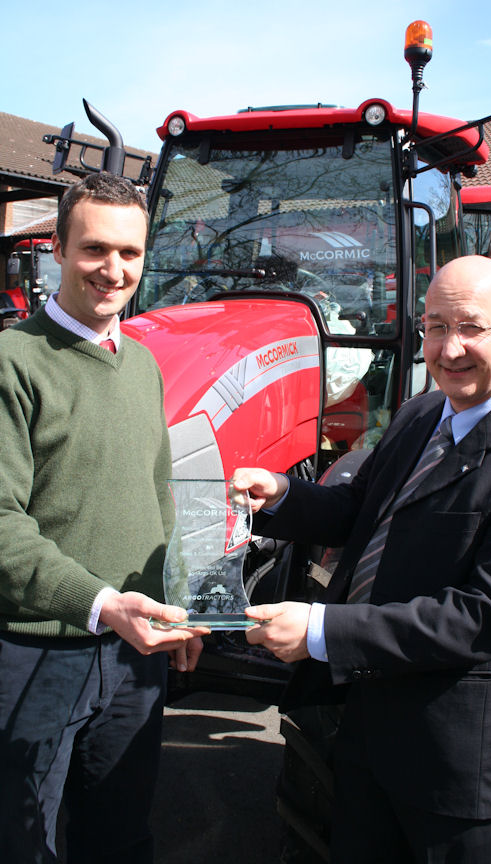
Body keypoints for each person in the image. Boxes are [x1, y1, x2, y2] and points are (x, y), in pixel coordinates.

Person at [233, 255, 491, 864]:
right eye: (436, 326)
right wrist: (282, 496)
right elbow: (361, 509)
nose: (449, 349)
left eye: (472, 327)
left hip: (460, 762)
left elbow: (484, 616)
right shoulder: (422, 413)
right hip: (367, 733)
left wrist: (319, 630)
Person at [0, 173, 208, 864]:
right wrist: (99, 602)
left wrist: (174, 608)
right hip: (35, 651)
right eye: (94, 249)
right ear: (56, 247)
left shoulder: (143, 363)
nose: (113, 270)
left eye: (130, 252)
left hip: (133, 653)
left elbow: (157, 498)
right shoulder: (13, 363)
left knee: (119, 833)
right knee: (29, 840)